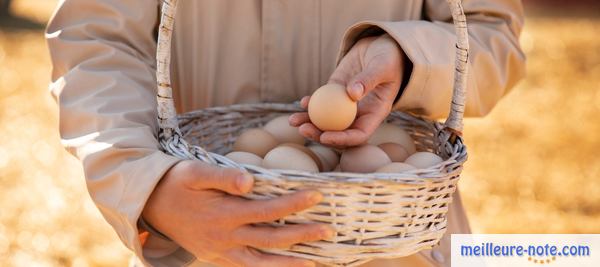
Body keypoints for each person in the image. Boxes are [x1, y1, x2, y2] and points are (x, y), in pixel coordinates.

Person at [46, 0, 525, 266]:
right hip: (206, 236)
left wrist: (407, 54)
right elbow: (97, 39)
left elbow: (490, 34)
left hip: (394, 245)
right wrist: (147, 184)